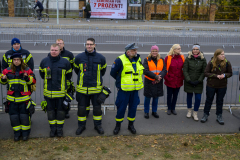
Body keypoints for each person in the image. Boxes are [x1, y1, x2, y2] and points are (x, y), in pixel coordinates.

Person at [74, 38, 107, 135]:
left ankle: (98, 126)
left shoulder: (101, 58)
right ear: (85, 45)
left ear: (94, 45)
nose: (89, 46)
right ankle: (81, 126)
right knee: (81, 110)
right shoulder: (79, 57)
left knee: (97, 110)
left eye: (91, 44)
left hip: (96, 90)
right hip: (82, 90)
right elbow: (77, 71)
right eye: (87, 44)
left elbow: (102, 72)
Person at [0, 53, 36, 141]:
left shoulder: (27, 70)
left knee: (24, 118)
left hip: (24, 100)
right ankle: (17, 134)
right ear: (12, 61)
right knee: (14, 118)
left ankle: (25, 134)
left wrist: (27, 78)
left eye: (18, 60)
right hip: (12, 100)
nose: (16, 61)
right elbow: (3, 82)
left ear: (21, 60)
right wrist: (3, 79)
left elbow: (33, 81)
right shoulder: (6, 71)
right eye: (15, 60)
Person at [110, 43, 144, 135]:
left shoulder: (138, 59)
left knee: (133, 108)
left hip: (135, 90)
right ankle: (118, 126)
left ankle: (131, 125)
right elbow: (113, 73)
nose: (135, 52)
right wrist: (120, 83)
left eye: (136, 50)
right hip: (124, 90)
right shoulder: (120, 59)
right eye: (133, 50)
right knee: (121, 108)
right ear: (128, 52)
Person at [39, 44, 72, 137]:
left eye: (56, 50)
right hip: (48, 93)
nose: (54, 52)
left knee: (61, 113)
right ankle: (53, 129)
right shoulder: (44, 61)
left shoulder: (65, 62)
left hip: (61, 94)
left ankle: (60, 129)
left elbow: (69, 76)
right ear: (50, 50)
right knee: (50, 113)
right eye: (52, 50)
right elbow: (42, 75)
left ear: (59, 51)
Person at [201, 49, 232, 125]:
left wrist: (224, 75)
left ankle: (219, 116)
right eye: (221, 54)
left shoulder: (227, 62)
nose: (223, 56)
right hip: (211, 85)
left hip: (222, 86)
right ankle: (205, 115)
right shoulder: (211, 62)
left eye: (223, 54)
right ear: (217, 55)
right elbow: (206, 73)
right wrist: (216, 76)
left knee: (220, 101)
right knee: (209, 100)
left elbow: (230, 73)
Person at [183, 44, 207, 121]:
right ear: (192, 50)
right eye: (194, 49)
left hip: (198, 82)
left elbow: (204, 71)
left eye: (197, 49)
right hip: (189, 82)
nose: (195, 51)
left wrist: (199, 80)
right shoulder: (188, 58)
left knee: (198, 98)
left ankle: (195, 112)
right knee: (189, 97)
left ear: (199, 50)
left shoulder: (203, 59)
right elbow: (185, 70)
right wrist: (188, 80)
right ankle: (189, 111)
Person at [143, 45, 167, 119]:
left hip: (158, 82)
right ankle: (146, 112)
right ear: (151, 51)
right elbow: (145, 71)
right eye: (153, 51)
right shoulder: (146, 60)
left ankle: (154, 111)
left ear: (157, 52)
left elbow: (164, 70)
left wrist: (159, 77)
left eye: (156, 51)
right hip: (149, 81)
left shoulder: (161, 59)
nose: (154, 52)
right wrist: (155, 77)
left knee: (156, 98)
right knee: (148, 97)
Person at [56, 39, 75, 119]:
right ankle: (57, 111)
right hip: (56, 80)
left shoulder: (69, 54)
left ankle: (66, 111)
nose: (59, 45)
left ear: (63, 44)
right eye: (57, 43)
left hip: (66, 80)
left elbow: (72, 67)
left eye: (60, 43)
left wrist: (68, 78)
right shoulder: (52, 54)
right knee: (57, 97)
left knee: (66, 97)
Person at [164, 44, 185, 115]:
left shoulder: (182, 57)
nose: (180, 50)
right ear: (174, 50)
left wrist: (182, 77)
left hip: (178, 80)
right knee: (169, 95)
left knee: (175, 95)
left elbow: (184, 68)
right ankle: (169, 108)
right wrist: (167, 78)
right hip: (170, 80)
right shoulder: (168, 58)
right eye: (178, 49)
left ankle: (173, 108)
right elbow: (164, 69)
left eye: (180, 48)